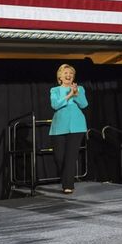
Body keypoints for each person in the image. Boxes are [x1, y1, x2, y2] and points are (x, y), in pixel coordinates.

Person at [49, 64, 88, 194]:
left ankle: (68, 185)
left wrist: (76, 94)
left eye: (71, 73)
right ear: (60, 76)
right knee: (59, 157)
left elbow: (84, 104)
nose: (68, 75)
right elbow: (55, 105)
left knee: (71, 157)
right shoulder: (54, 90)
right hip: (58, 128)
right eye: (66, 73)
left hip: (77, 126)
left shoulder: (79, 88)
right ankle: (66, 181)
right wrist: (69, 95)